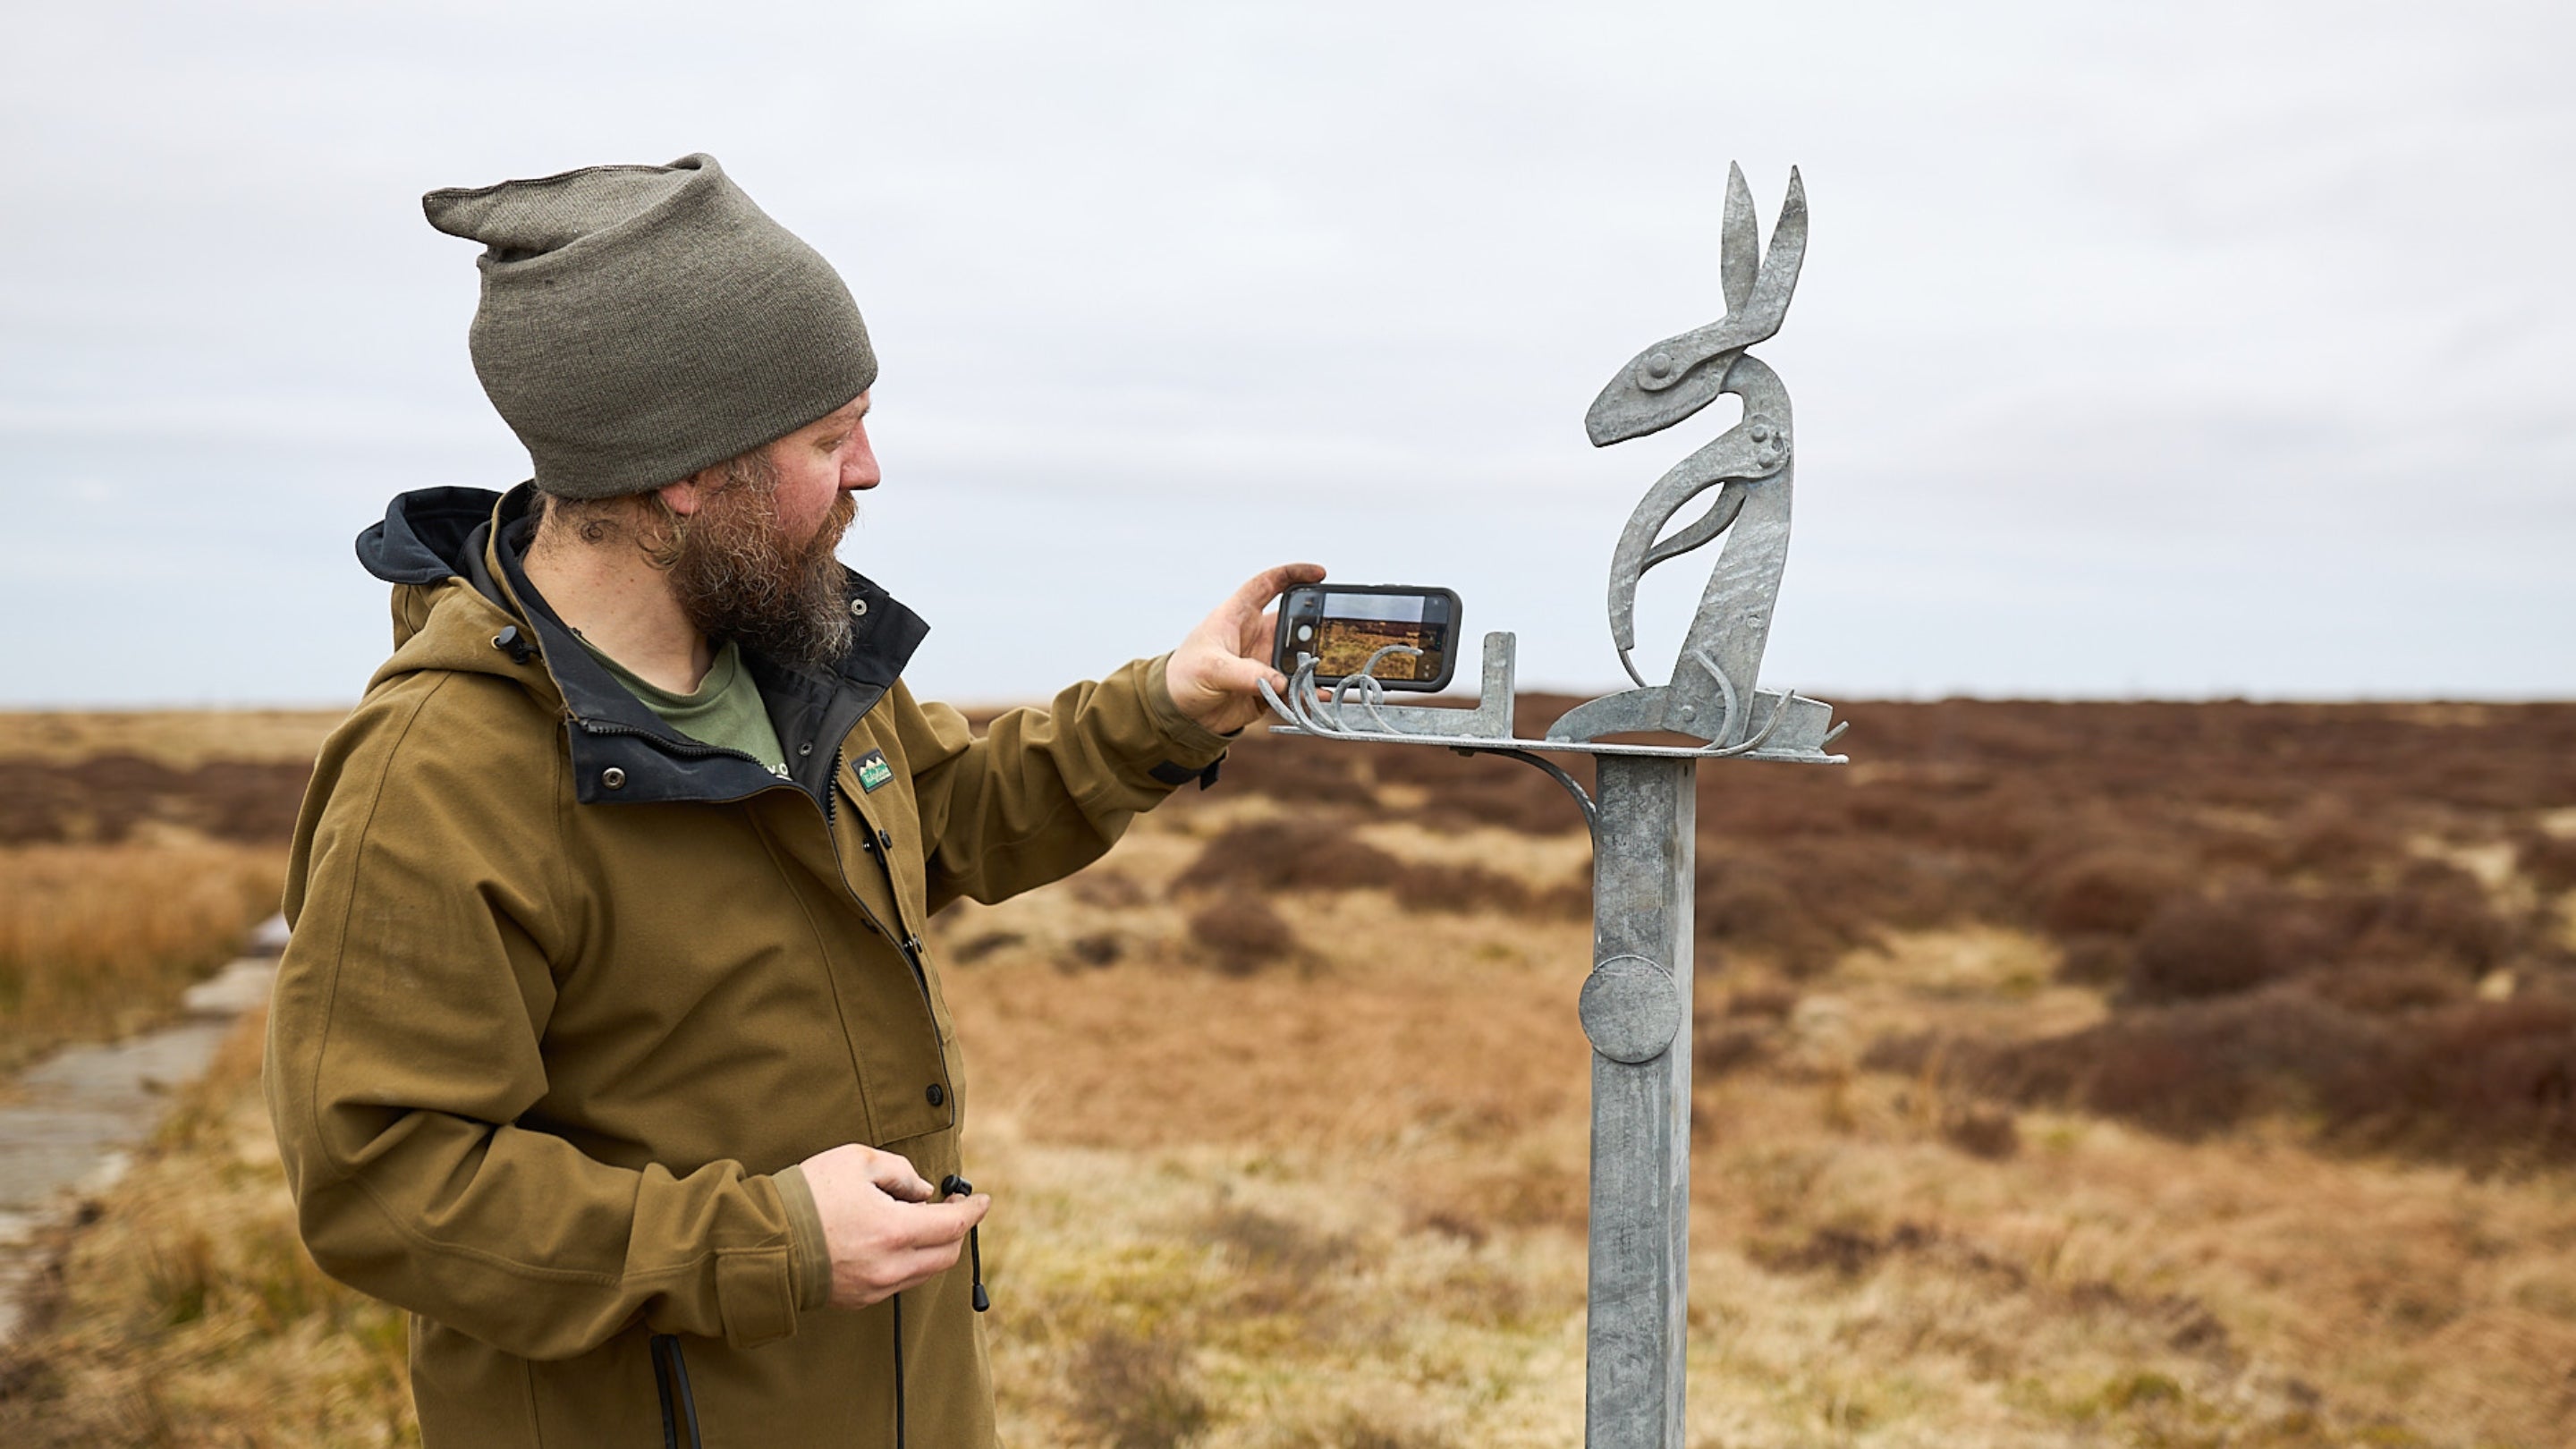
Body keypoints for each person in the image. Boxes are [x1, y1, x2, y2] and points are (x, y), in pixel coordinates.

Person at [263, 152, 1320, 1448]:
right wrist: (765, 1241)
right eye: (829, 437)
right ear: (685, 473)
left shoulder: (791, 652)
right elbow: (386, 1182)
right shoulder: (440, 773)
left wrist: (1165, 707)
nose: (870, 471)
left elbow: (950, 816)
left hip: (903, 1402)